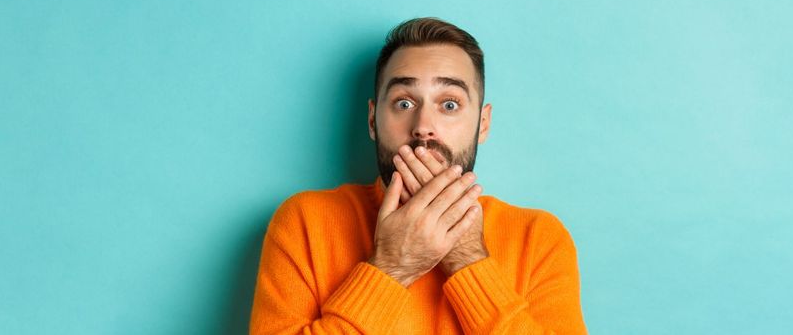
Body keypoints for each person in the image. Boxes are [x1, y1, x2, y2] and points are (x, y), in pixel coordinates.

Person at [250, 17, 587, 334]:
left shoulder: (539, 238)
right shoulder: (304, 222)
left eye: (450, 104)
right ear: (372, 120)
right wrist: (391, 267)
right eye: (404, 103)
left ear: (482, 124)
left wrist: (468, 260)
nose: (423, 128)